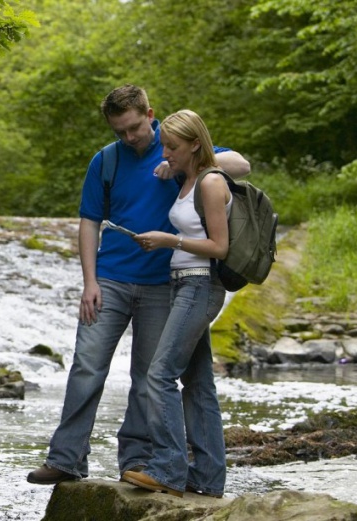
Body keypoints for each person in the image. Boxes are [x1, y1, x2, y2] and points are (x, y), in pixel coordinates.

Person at [26, 85, 249, 486]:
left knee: (148, 377)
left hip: (166, 284)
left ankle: (138, 462)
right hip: (110, 280)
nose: (129, 138)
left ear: (149, 113)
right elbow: (89, 221)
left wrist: (179, 165)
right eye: (119, 132)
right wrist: (89, 282)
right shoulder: (105, 162)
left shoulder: (175, 143)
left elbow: (238, 165)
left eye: (133, 127)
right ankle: (66, 459)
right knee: (86, 368)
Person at [122, 109, 231, 498]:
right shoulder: (188, 180)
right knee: (198, 383)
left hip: (200, 286)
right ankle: (207, 478)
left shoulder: (211, 183)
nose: (164, 152)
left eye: (172, 146)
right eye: (164, 144)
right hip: (182, 284)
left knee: (160, 374)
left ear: (196, 144)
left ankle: (168, 468)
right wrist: (172, 170)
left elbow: (219, 246)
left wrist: (170, 240)